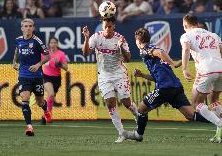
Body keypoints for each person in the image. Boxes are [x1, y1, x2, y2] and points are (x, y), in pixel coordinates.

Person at [123, 28, 214, 143]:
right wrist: (142, 75)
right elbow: (156, 76)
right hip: (175, 87)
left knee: (141, 109)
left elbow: (159, 53)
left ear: (138, 41)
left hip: (164, 88)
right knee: (191, 115)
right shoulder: (152, 50)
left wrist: (173, 63)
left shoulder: (145, 49)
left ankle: (138, 134)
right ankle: (219, 120)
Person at [82, 14, 138, 143]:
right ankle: (122, 133)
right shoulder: (96, 37)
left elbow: (129, 58)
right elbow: (85, 53)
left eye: (110, 26)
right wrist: (86, 38)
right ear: (102, 26)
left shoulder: (120, 39)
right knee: (110, 103)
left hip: (119, 74)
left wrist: (121, 48)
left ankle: (137, 116)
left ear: (114, 26)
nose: (107, 29)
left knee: (126, 103)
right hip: (104, 75)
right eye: (105, 26)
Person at [180, 14, 222, 143]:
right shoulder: (213, 35)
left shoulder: (186, 36)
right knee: (214, 99)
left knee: (197, 104)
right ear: (197, 23)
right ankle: (218, 135)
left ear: (185, 25)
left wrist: (184, 68)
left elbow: (186, 49)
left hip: (206, 69)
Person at [13, 18, 51, 136]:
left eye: (30, 26)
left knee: (40, 102)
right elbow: (17, 50)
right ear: (22, 28)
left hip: (37, 76)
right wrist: (14, 61)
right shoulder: (18, 40)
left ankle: (45, 109)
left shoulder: (37, 41)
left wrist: (38, 64)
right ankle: (29, 127)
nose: (28, 28)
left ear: (33, 28)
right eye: (25, 26)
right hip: (24, 75)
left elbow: (48, 56)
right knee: (25, 99)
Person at [41, 37, 68, 123]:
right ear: (49, 44)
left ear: (57, 44)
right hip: (46, 77)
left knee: (51, 98)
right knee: (51, 94)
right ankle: (49, 114)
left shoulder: (61, 54)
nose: (53, 44)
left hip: (56, 78)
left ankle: (44, 115)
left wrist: (59, 64)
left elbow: (66, 68)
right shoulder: (45, 53)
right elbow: (39, 63)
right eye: (51, 43)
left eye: (54, 43)